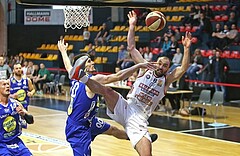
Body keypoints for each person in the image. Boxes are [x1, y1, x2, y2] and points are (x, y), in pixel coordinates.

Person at [69, 11, 192, 156]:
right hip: (127, 106)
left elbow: (183, 68)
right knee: (107, 91)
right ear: (156, 61)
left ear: (167, 68)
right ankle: (83, 78)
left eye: (165, 65)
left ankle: (140, 138)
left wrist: (187, 48)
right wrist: (132, 25)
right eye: (160, 63)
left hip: (139, 118)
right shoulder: (145, 67)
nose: (161, 66)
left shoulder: (166, 80)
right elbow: (131, 48)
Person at [57, 39, 158, 156]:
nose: (93, 63)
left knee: (113, 130)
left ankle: (139, 138)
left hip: (90, 121)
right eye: (89, 61)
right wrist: (138, 66)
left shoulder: (75, 76)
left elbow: (68, 66)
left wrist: (63, 51)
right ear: (82, 67)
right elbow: (118, 76)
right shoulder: (92, 80)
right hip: (78, 128)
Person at [0, 79, 34, 156]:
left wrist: (24, 115)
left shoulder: (16, 104)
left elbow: (31, 121)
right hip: (2, 144)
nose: (7, 86)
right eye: (4, 85)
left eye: (8, 84)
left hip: (16, 142)